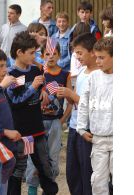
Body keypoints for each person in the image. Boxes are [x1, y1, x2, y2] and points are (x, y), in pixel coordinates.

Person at [6, 31, 58, 195]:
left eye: (35, 52)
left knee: (44, 165)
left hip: (37, 130)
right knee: (18, 169)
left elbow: (50, 85)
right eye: (31, 53)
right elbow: (15, 102)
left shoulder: (37, 69)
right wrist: (33, 87)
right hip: (20, 133)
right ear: (19, 53)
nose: (34, 56)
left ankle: (50, 191)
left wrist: (46, 93)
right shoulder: (10, 75)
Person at [26, 42, 72, 195]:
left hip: (55, 123)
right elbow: (27, 58)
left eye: (54, 54)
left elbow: (70, 101)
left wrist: (62, 120)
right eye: (47, 54)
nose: (51, 57)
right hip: (35, 123)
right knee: (32, 159)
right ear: (42, 55)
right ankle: (32, 190)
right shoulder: (39, 71)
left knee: (52, 158)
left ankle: (49, 190)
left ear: (60, 55)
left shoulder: (66, 74)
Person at [57, 33, 99, 195]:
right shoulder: (82, 71)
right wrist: (66, 94)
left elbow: (95, 105)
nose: (77, 56)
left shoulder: (98, 76)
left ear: (93, 52)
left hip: (88, 130)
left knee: (87, 173)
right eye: (75, 52)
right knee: (72, 173)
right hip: (74, 127)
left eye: (80, 53)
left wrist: (71, 94)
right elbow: (75, 98)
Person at [76, 37, 113, 195]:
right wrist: (81, 128)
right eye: (96, 56)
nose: (97, 61)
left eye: (102, 57)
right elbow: (83, 103)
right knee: (98, 181)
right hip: (98, 137)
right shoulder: (93, 77)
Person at [0, 48, 22, 194]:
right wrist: (6, 132)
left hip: (3, 153)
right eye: (0, 66)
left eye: (5, 65)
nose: (5, 70)